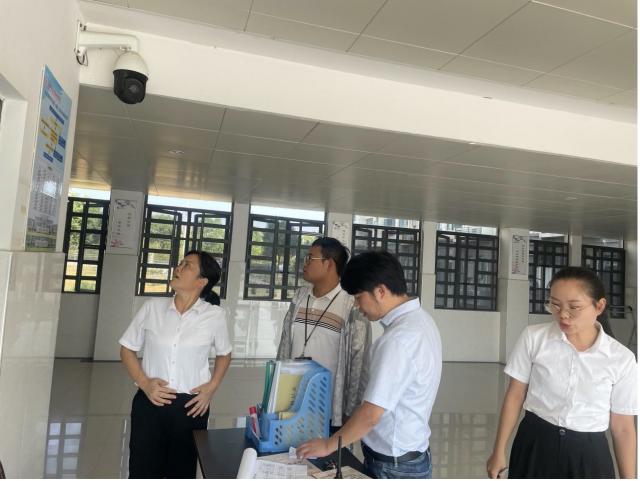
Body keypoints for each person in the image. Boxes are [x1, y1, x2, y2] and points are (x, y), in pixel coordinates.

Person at [297, 251, 442, 479]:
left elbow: (371, 415)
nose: (356, 306)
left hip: (394, 467)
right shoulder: (422, 320)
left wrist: (327, 445)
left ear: (380, 291)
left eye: (358, 297)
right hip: (412, 455)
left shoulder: (398, 340)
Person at [487, 266, 637, 479]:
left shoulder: (621, 359)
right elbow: (515, 395)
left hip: (589, 454)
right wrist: (498, 450)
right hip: (535, 443)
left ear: (599, 306)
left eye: (574, 307)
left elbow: (623, 427)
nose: (563, 315)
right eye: (555, 305)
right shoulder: (534, 338)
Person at [119, 251, 232, 478]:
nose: (178, 268)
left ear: (201, 282)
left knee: (181, 471)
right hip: (150, 402)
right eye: (180, 263)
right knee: (142, 469)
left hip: (191, 406)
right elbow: (127, 348)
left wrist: (211, 387)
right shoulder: (152, 307)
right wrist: (145, 383)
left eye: (187, 265)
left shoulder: (215, 316)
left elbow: (224, 354)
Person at [277, 237, 371, 432]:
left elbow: (359, 363)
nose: (305, 263)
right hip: (293, 402)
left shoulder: (351, 305)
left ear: (329, 264)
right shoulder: (300, 297)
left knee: (325, 451)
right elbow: (285, 344)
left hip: (329, 409)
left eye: (310, 258)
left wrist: (350, 412)